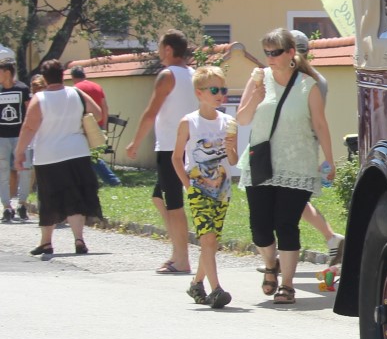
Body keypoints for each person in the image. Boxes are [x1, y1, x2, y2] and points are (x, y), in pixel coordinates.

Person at [236, 28, 336, 305]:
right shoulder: (259, 80)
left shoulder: (308, 85)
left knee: (286, 224)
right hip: (262, 162)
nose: (270, 58)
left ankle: (288, 285)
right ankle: (271, 265)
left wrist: (329, 159)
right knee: (259, 226)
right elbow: (242, 119)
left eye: (275, 52)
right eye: (266, 53)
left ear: (291, 53)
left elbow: (319, 124)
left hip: (298, 162)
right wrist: (255, 98)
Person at [12, 59, 103, 257]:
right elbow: (97, 112)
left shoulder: (40, 98)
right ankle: (79, 240)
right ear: (63, 75)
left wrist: (19, 152)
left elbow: (29, 127)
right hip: (78, 151)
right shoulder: (76, 92)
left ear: (44, 78)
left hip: (49, 155)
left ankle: (46, 243)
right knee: (76, 196)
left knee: (49, 197)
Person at [124, 30, 198, 275]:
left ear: (168, 49)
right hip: (188, 146)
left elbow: (151, 111)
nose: (158, 52)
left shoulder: (167, 75)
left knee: (175, 205)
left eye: (160, 47)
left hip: (170, 148)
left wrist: (135, 142)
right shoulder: (193, 74)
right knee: (159, 198)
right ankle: (177, 252)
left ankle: (182, 259)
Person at [172, 66, 238, 308]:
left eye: (223, 89)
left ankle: (196, 284)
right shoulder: (188, 122)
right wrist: (188, 186)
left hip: (222, 189)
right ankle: (216, 289)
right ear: (199, 93)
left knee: (212, 242)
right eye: (214, 90)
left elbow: (232, 161)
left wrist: (231, 148)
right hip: (198, 188)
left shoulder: (229, 122)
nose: (220, 94)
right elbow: (176, 157)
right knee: (207, 238)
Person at [289, 30, 344, 266]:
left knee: (290, 201)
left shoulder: (301, 81)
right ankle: (331, 239)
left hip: (292, 146)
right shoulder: (318, 80)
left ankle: (281, 256)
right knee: (295, 201)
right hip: (306, 144)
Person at [70, 65, 120, 187]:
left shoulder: (75, 89)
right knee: (92, 155)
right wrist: (104, 125)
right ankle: (92, 181)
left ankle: (112, 180)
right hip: (99, 125)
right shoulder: (97, 87)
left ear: (73, 77)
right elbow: (104, 107)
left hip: (84, 127)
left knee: (91, 157)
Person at [0, 59, 33, 223]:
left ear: (7, 72)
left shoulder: (22, 88)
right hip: (1, 137)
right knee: (2, 170)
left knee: (25, 169)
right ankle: (6, 206)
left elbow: (29, 111)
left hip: (20, 136)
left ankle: (22, 203)